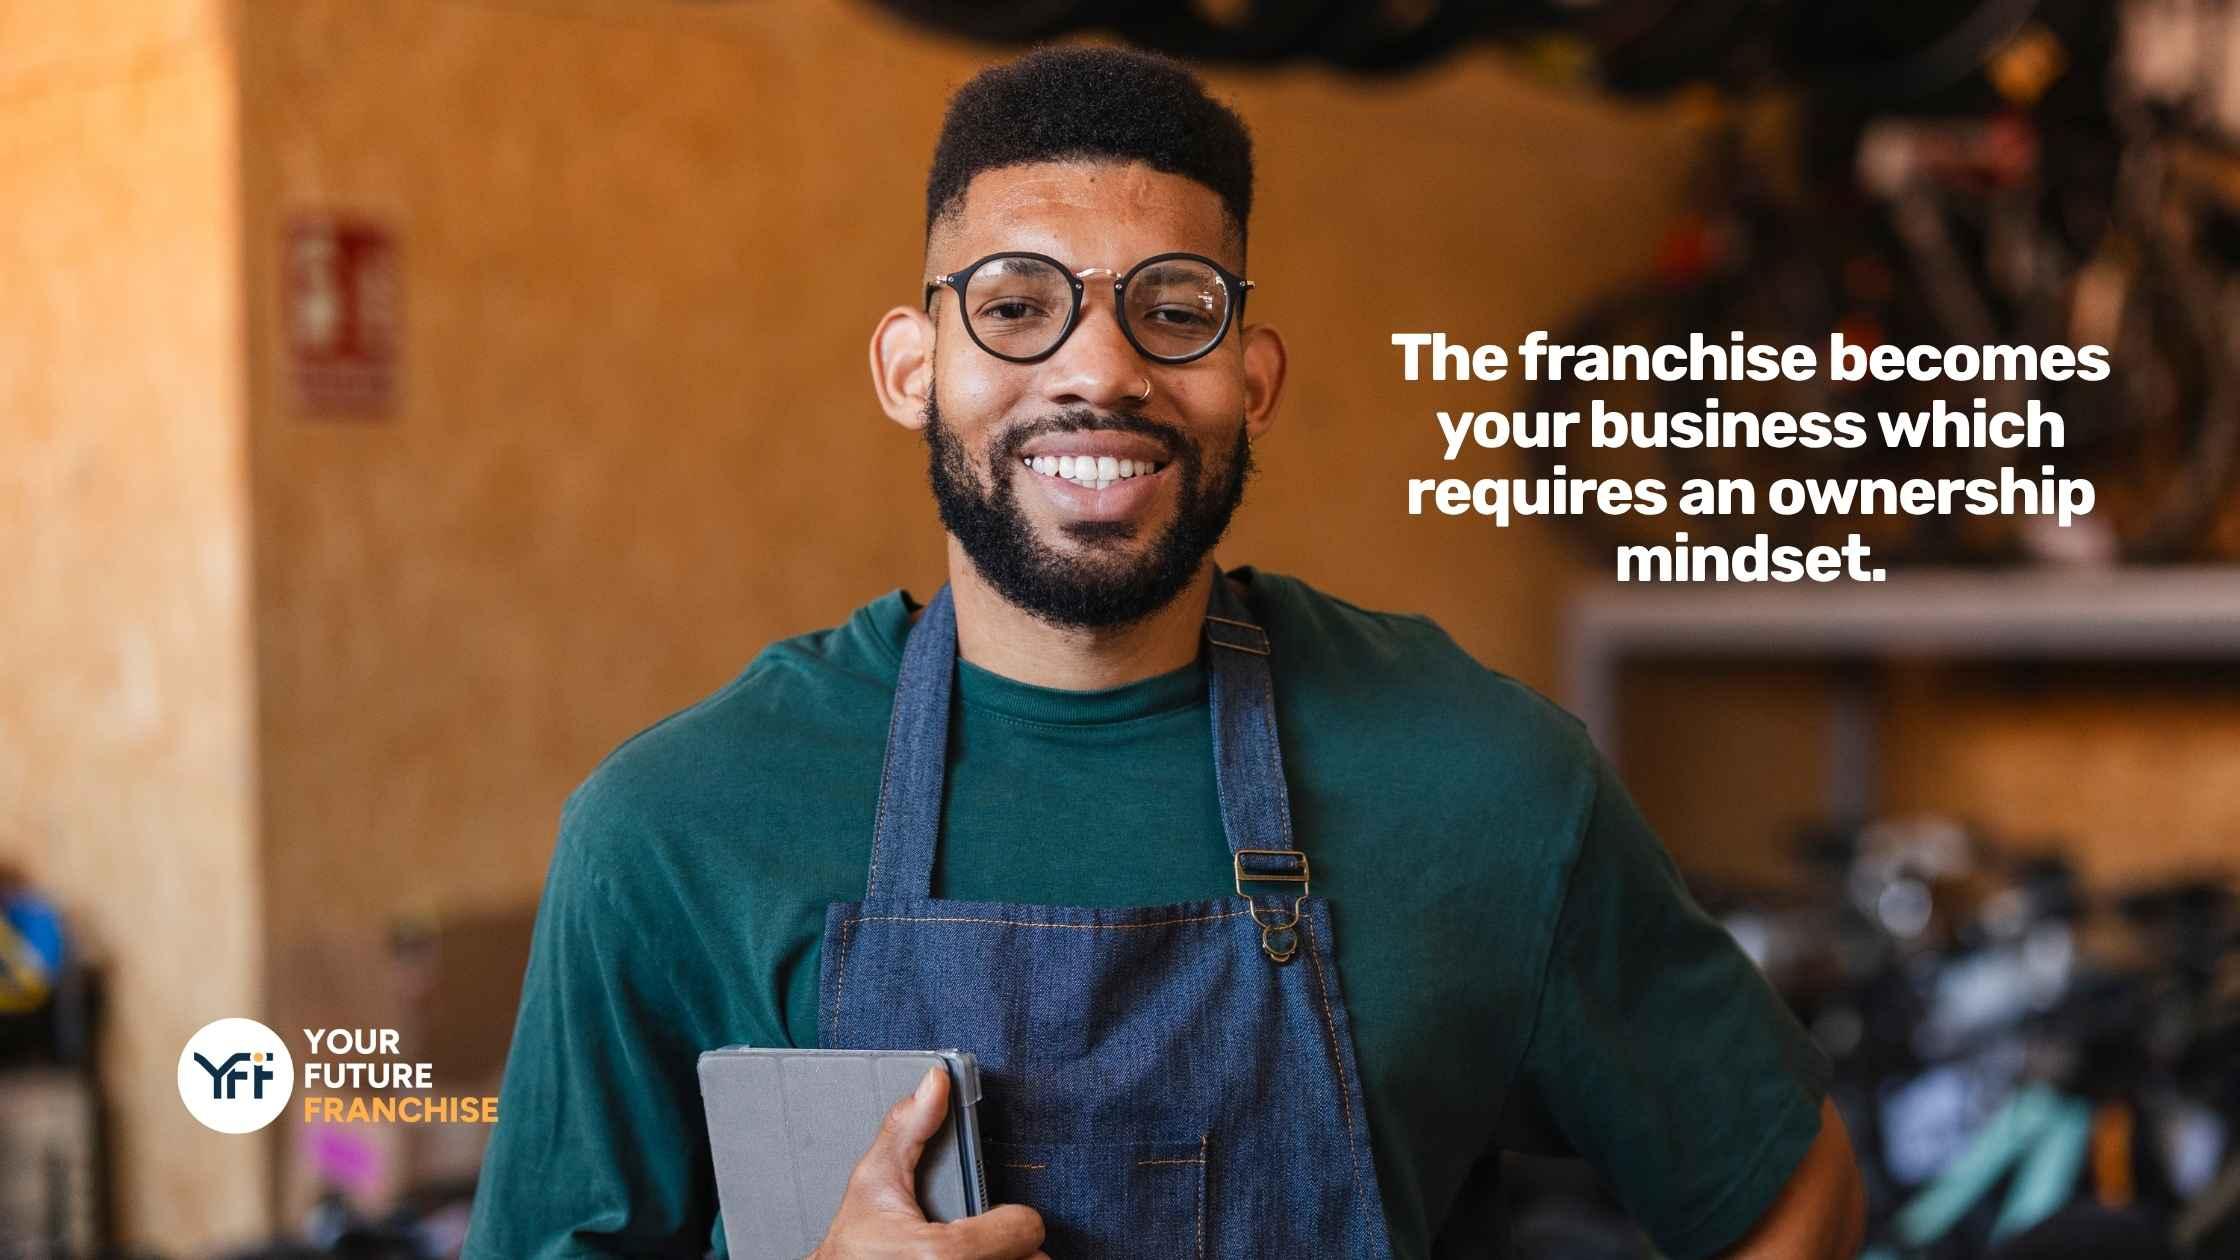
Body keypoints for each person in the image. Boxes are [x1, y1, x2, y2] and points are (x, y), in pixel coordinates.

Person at [464, 44, 1865, 1260]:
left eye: (1176, 309)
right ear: (911, 368)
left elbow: (1791, 1190)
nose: (1100, 369)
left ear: (1253, 381)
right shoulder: (679, 830)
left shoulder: (1484, 785)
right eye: (1018, 305)